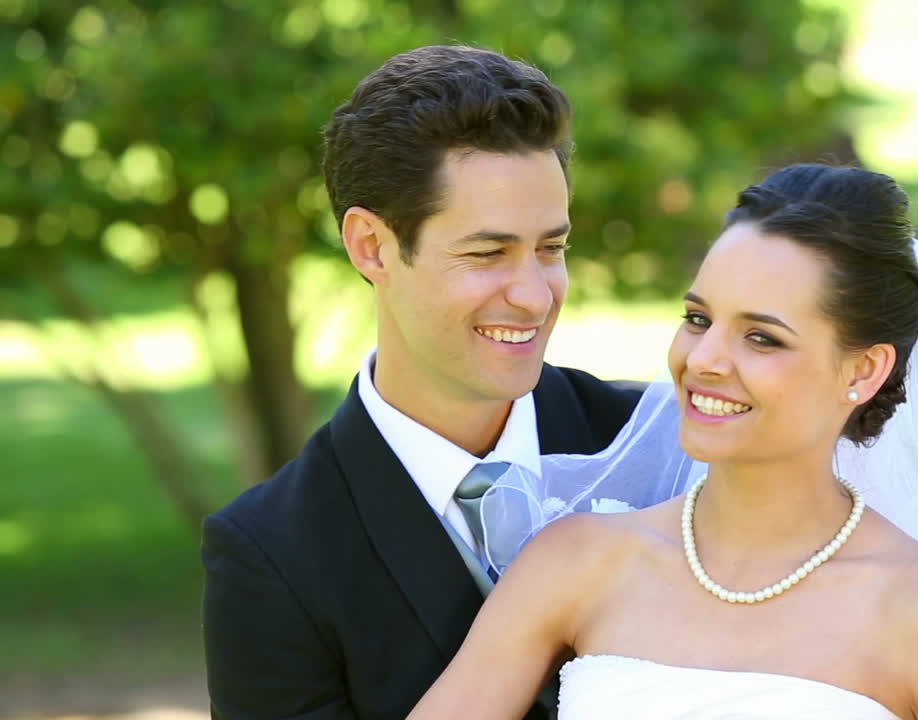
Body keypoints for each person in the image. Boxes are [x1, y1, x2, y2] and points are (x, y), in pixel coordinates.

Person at [405, 164, 918, 719]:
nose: (705, 361)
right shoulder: (579, 561)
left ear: (863, 371)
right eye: (699, 318)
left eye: (762, 338)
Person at [200, 46, 642, 720]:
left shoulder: (658, 446)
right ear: (372, 247)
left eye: (550, 249)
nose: (532, 295)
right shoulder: (272, 557)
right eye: (487, 253)